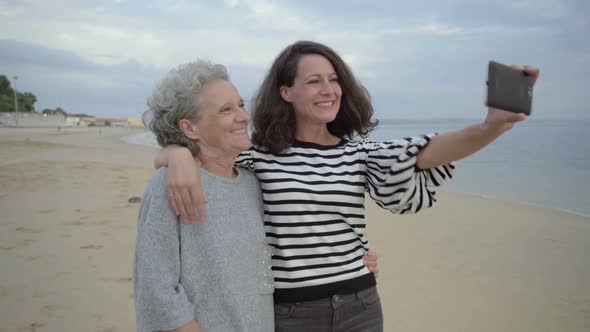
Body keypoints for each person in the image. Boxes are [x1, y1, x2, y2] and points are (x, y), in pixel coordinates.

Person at [157, 41, 540, 331]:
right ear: (286, 92)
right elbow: (203, 156)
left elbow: (426, 150)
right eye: (314, 81)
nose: (329, 89)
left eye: (334, 79)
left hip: (361, 305)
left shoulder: (358, 153)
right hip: (290, 312)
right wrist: (176, 154)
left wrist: (490, 127)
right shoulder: (259, 153)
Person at [134, 60, 275, 332]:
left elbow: (263, 270)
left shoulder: (252, 184)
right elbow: (157, 291)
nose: (244, 117)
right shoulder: (170, 183)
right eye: (226, 110)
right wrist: (175, 154)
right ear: (189, 128)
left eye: (241, 105)